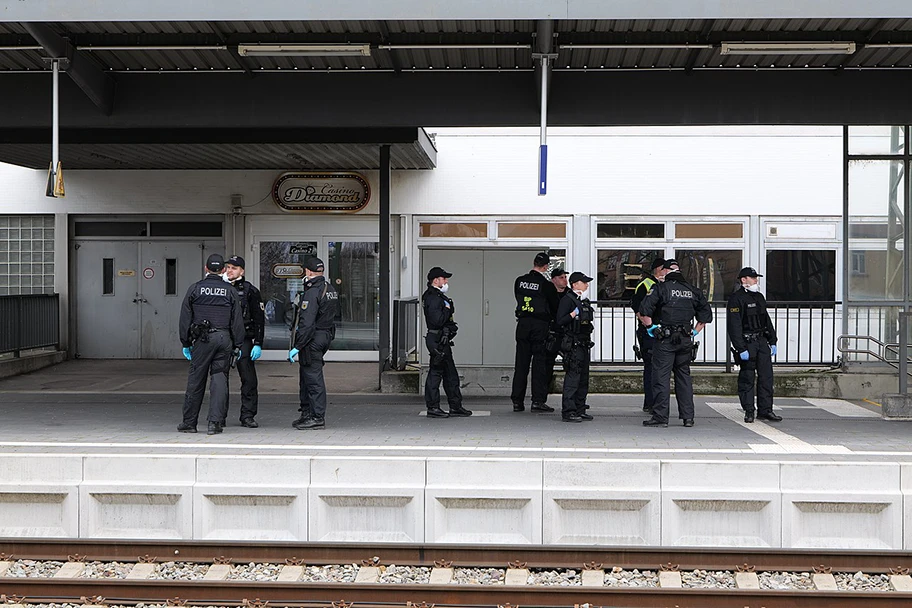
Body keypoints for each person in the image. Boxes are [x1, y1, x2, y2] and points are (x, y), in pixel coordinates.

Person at [639, 259, 713, 428]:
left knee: (661, 378)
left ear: (667, 273)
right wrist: (694, 331)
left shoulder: (661, 288)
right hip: (685, 339)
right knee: (684, 378)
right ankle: (688, 418)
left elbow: (644, 311)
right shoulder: (692, 290)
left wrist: (652, 328)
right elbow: (705, 316)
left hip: (665, 339)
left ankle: (660, 417)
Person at [178, 253, 245, 435]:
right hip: (224, 339)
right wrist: (238, 344)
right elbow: (237, 320)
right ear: (223, 270)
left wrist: (185, 342)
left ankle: (189, 423)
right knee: (219, 379)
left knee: (196, 379)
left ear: (206, 269)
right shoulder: (230, 290)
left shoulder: (195, 289)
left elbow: (185, 318)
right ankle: (215, 423)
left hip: (203, 339)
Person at [727, 267, 783, 423]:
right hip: (747, 342)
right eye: (753, 278)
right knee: (747, 378)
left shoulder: (759, 297)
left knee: (766, 377)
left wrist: (773, 340)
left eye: (756, 278)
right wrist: (740, 347)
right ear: (743, 280)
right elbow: (734, 325)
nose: (756, 280)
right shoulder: (736, 299)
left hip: (761, 341)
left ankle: (766, 410)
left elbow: (766, 320)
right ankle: (749, 410)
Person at [288, 257, 338, 430]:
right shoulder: (329, 288)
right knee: (307, 376)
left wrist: (297, 346)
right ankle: (307, 413)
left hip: (313, 339)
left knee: (313, 378)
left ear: (308, 272)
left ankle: (316, 417)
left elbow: (307, 323)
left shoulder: (312, 292)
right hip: (324, 336)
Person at [421, 266, 473, 418]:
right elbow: (437, 320)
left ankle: (455, 406)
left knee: (451, 375)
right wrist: (448, 310)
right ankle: (433, 407)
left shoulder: (437, 296)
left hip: (442, 339)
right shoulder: (432, 297)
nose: (446, 281)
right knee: (435, 374)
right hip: (437, 340)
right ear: (436, 280)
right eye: (444, 278)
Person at [511, 252, 559, 413]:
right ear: (545, 267)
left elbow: (517, 297)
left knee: (521, 364)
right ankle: (538, 401)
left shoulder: (519, 281)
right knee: (539, 365)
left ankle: (517, 401)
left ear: (533, 263)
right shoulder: (546, 285)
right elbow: (555, 307)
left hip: (523, 325)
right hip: (540, 326)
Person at [223, 255, 265, 428]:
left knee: (248, 379)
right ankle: (219, 415)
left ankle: (247, 415)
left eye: (234, 268)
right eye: (228, 267)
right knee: (220, 378)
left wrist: (258, 343)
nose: (230, 271)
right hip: (224, 337)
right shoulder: (220, 288)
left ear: (242, 270)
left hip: (245, 339)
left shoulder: (250, 290)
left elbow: (259, 319)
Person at [555, 272, 595, 422]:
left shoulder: (582, 300)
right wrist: (573, 314)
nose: (587, 285)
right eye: (584, 282)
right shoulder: (568, 300)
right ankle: (569, 411)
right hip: (573, 344)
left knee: (583, 378)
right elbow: (560, 320)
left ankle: (580, 408)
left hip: (583, 343)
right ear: (574, 284)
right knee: (573, 377)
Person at [630, 257, 666, 415]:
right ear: (658, 269)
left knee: (659, 368)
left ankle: (656, 402)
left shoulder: (664, 285)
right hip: (650, 332)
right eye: (665, 269)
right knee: (651, 367)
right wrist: (649, 327)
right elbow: (638, 308)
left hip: (662, 330)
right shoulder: (645, 284)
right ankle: (650, 403)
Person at [545, 267, 570, 392]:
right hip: (552, 332)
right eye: (561, 277)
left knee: (570, 361)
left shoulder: (570, 294)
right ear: (553, 279)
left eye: (565, 277)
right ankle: (545, 389)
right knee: (548, 362)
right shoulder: (548, 293)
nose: (565, 280)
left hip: (566, 332)